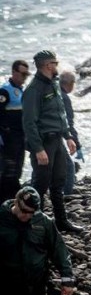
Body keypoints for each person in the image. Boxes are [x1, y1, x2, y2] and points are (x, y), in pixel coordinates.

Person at [22, 50, 83, 233]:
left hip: (57, 140)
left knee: (58, 181)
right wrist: (38, 149)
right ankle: (32, 223)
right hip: (44, 143)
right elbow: (29, 123)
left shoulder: (54, 84)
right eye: (55, 63)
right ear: (48, 66)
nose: (57, 66)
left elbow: (60, 114)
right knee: (40, 184)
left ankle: (61, 221)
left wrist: (68, 136)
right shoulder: (34, 90)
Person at [0, 186, 76, 295]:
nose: (27, 216)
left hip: (36, 284)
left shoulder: (44, 222)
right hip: (7, 283)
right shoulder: (2, 219)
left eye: (32, 212)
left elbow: (59, 249)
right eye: (24, 211)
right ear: (16, 202)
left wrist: (67, 280)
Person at [0, 60, 30, 203]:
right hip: (8, 138)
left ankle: (13, 201)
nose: (25, 77)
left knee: (17, 170)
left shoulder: (23, 90)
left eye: (27, 74)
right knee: (8, 172)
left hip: (20, 137)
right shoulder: (5, 90)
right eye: (22, 74)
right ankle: (8, 201)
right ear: (14, 72)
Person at [59, 71, 84, 196]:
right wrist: (77, 146)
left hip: (41, 135)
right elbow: (69, 123)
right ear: (70, 84)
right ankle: (67, 195)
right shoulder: (64, 98)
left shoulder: (51, 92)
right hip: (54, 136)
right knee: (69, 166)